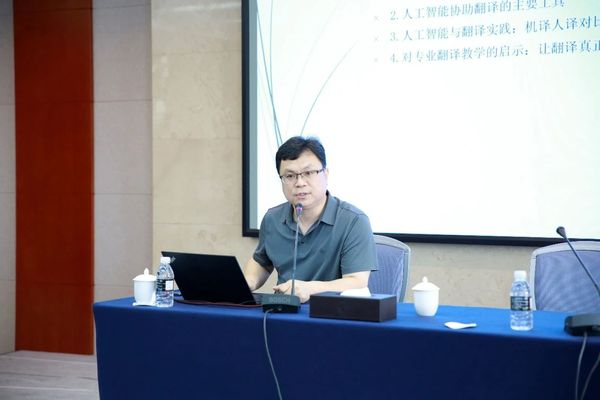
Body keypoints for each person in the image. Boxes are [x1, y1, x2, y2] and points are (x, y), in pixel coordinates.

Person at [244, 136, 377, 303]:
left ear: (326, 174)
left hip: (331, 312)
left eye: (308, 173)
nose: (300, 183)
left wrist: (311, 288)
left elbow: (357, 282)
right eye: (290, 176)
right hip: (282, 311)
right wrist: (247, 282)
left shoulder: (354, 221)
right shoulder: (272, 218)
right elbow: (262, 262)